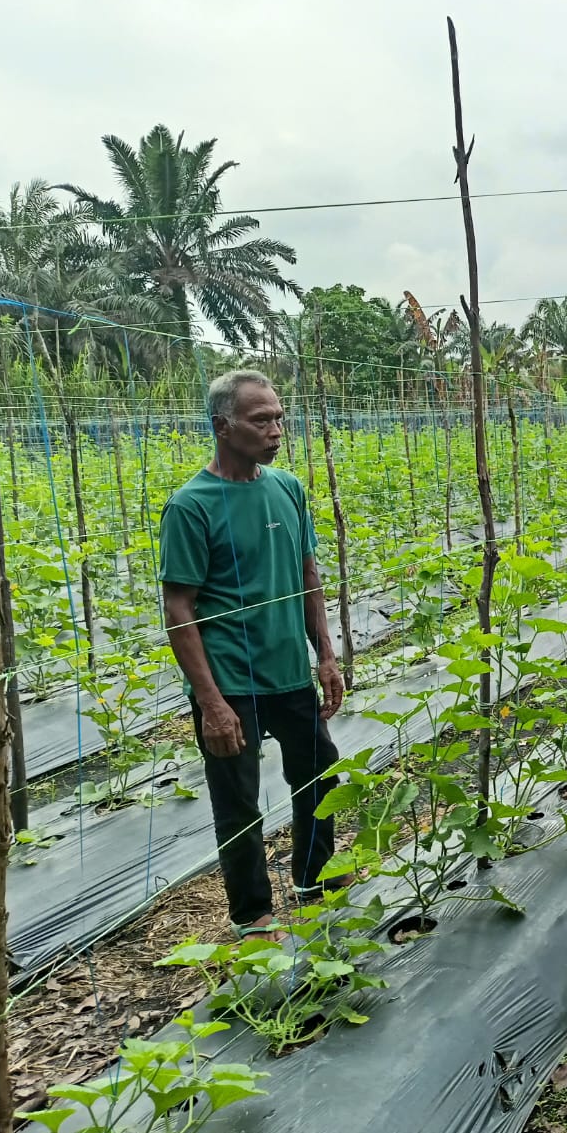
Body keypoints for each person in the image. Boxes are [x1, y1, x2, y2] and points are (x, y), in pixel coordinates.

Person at [159, 370, 347, 940]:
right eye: (261, 420)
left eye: (279, 418)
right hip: (229, 683)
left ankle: (313, 878)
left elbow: (308, 576)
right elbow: (179, 608)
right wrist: (211, 702)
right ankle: (253, 915)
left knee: (318, 771)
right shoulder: (191, 506)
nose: (276, 430)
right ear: (223, 426)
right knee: (238, 801)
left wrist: (326, 655)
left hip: (288, 671)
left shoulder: (288, 488)